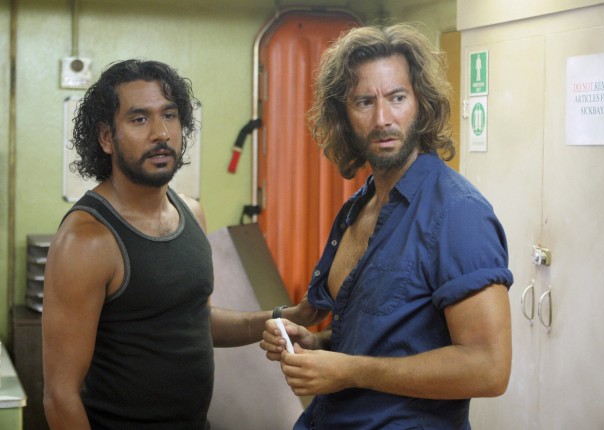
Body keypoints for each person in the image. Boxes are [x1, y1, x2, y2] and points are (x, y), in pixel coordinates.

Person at [42, 59, 323, 430]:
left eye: (169, 115)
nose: (160, 133)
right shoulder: (87, 239)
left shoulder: (191, 212)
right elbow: (60, 396)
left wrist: (290, 316)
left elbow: (198, 320)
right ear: (106, 137)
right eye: (139, 119)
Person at [260, 23, 513, 429]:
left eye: (397, 98)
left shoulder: (458, 213)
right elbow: (385, 334)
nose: (382, 119)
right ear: (344, 115)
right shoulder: (359, 206)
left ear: (422, 103)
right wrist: (319, 344)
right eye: (364, 101)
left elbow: (489, 368)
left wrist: (351, 371)